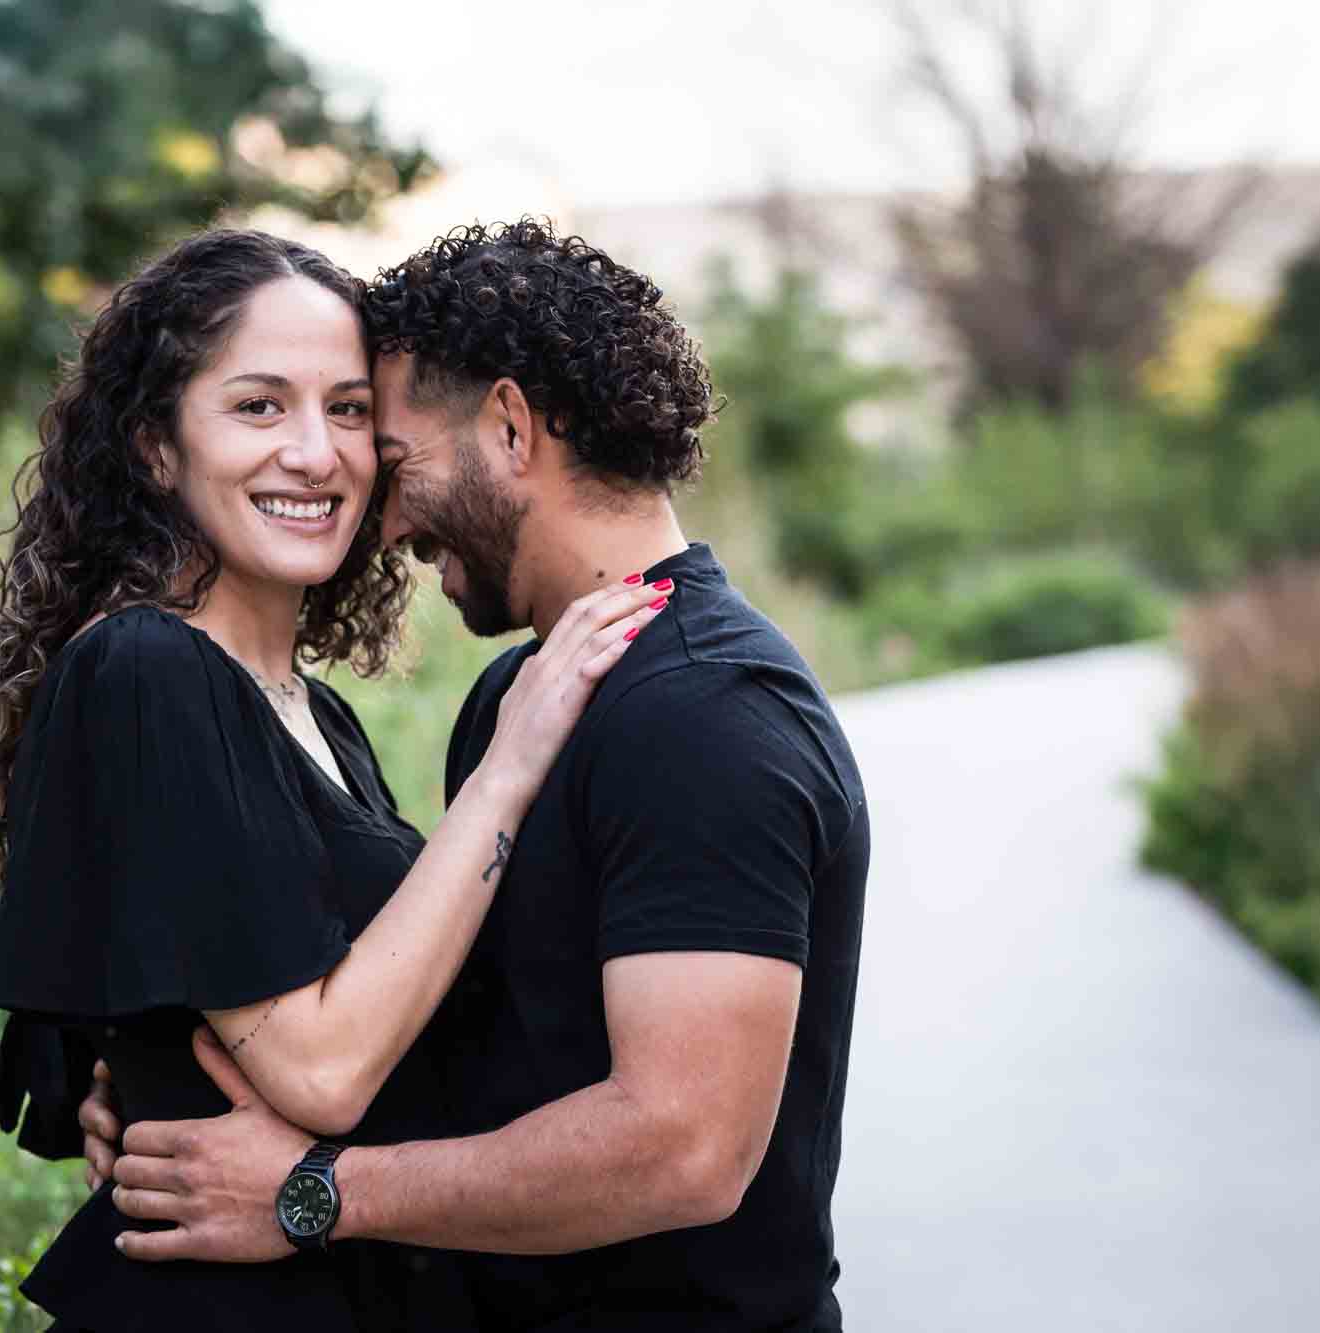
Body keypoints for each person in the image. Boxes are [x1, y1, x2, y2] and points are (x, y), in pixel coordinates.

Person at [85, 220, 871, 1332]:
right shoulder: (520, 698)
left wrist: (315, 1193)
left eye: (394, 457)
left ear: (508, 428)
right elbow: (489, 1039)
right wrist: (168, 1085)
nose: (384, 513)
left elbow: (683, 1147)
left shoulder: (706, 713)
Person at [0, 227, 670, 1333]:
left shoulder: (309, 709)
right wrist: (507, 769)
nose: (317, 453)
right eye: (259, 406)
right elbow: (321, 1071)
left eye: (347, 409)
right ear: (154, 447)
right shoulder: (144, 667)